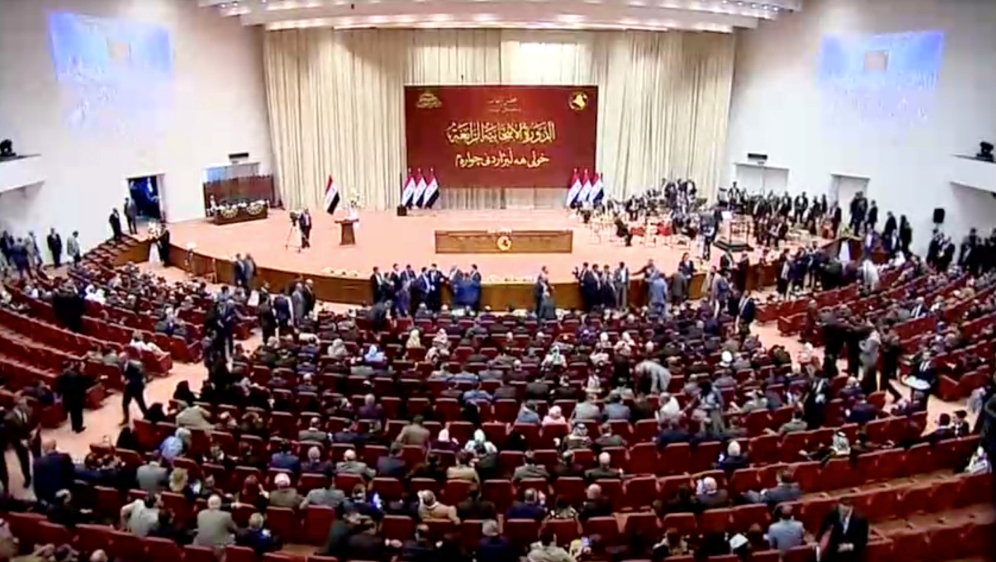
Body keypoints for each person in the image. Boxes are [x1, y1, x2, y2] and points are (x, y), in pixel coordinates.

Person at [33, 439, 74, 504]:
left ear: (43, 449)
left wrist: (39, 498)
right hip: (62, 494)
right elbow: (72, 471)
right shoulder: (64, 457)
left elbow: (36, 482)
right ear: (55, 446)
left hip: (46, 496)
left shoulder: (37, 462)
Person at [56, 361, 90, 433]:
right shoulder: (75, 375)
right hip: (77, 397)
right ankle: (79, 427)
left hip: (68, 397)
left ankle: (74, 426)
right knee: (78, 413)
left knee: (72, 413)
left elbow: (60, 388)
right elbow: (82, 386)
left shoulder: (61, 376)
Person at [121, 355, 149, 425]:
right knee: (124, 403)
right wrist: (124, 378)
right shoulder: (122, 365)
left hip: (136, 387)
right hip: (128, 387)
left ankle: (148, 417)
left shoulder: (134, 365)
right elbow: (124, 373)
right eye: (120, 358)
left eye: (122, 358)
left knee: (141, 404)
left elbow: (140, 373)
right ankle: (126, 419)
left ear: (126, 358)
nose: (121, 360)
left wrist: (130, 380)